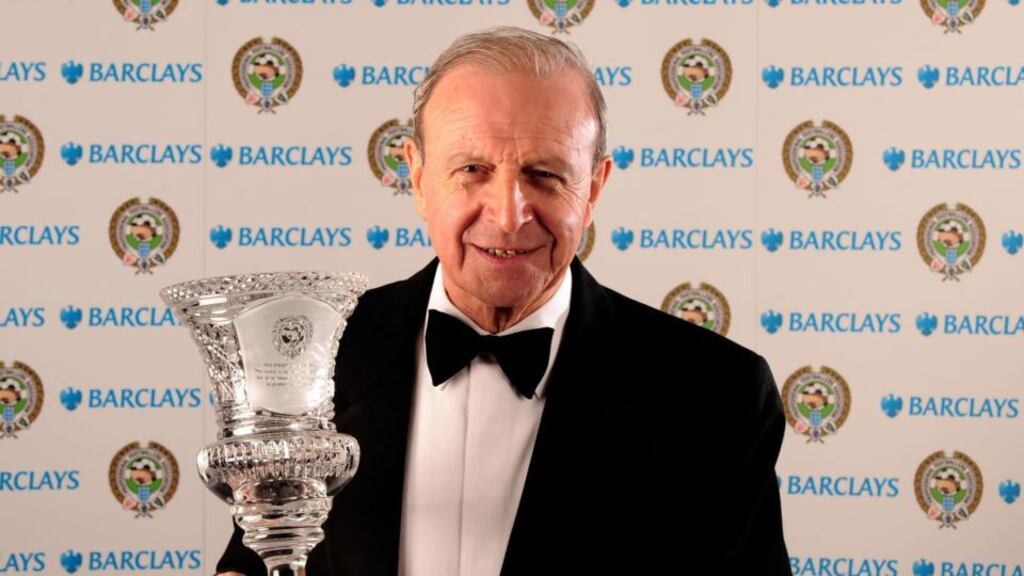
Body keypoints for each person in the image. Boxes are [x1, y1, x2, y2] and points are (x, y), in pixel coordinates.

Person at [216, 25, 792, 576]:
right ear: (416, 178)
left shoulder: (717, 397)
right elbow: (261, 551)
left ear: (593, 190)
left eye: (545, 175)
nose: (509, 214)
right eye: (472, 170)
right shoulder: (315, 353)